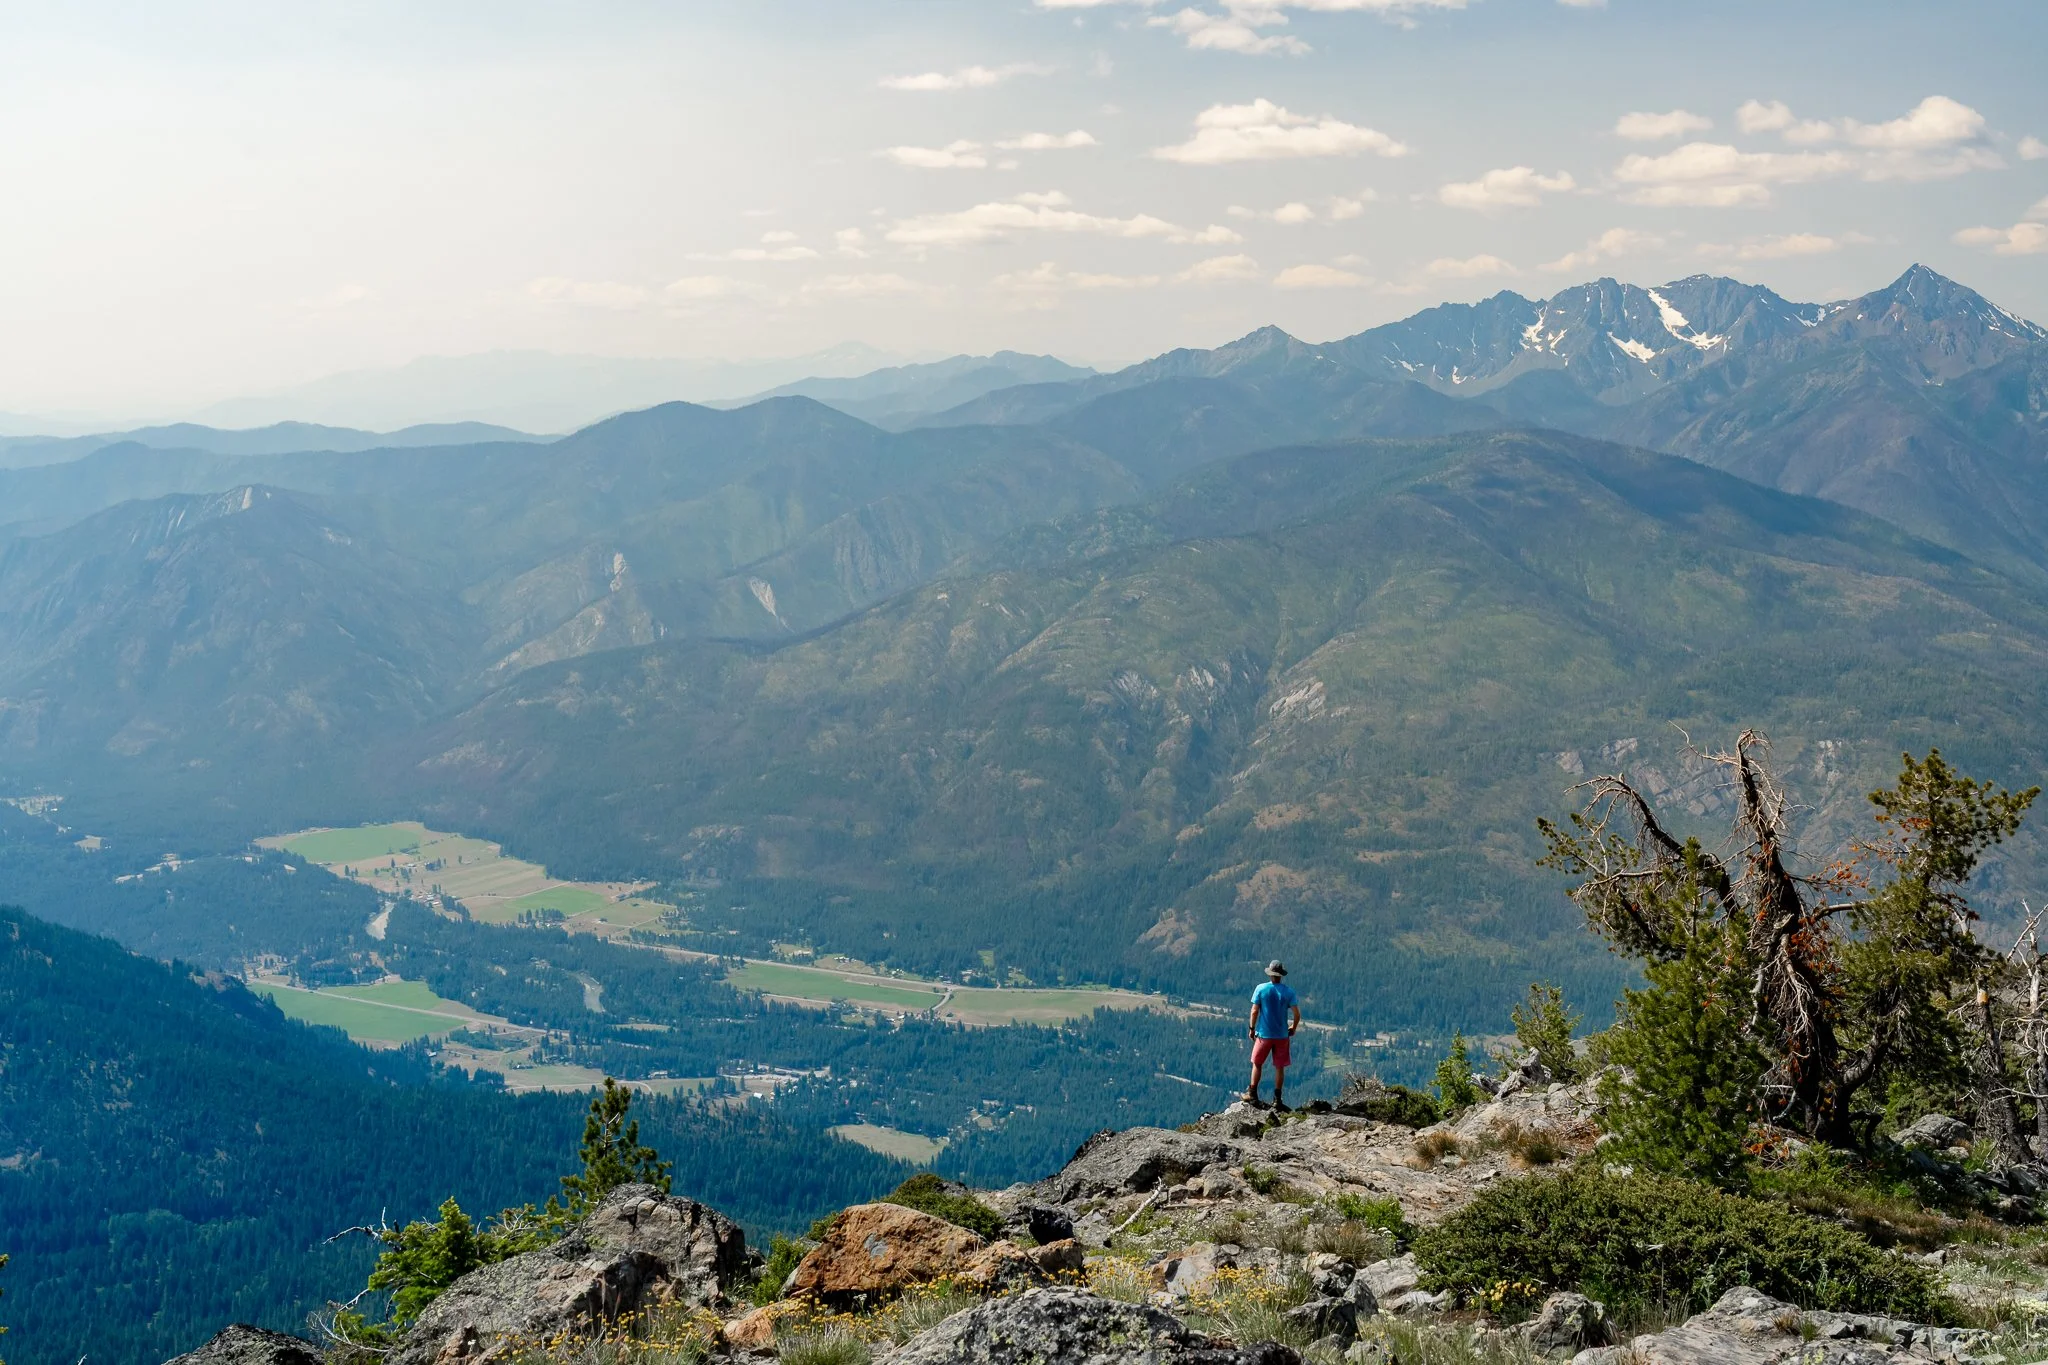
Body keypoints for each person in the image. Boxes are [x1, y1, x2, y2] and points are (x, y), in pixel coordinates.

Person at [1246, 959, 1301, 1110]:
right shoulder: (1288, 992)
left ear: (1270, 974)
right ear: (1281, 975)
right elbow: (1297, 1014)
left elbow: (1254, 1011)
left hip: (1264, 1035)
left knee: (1257, 1064)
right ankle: (1277, 1100)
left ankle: (1253, 1094)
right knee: (1279, 1066)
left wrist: (1251, 1028)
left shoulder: (1261, 989)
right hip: (1282, 1035)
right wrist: (1293, 1028)